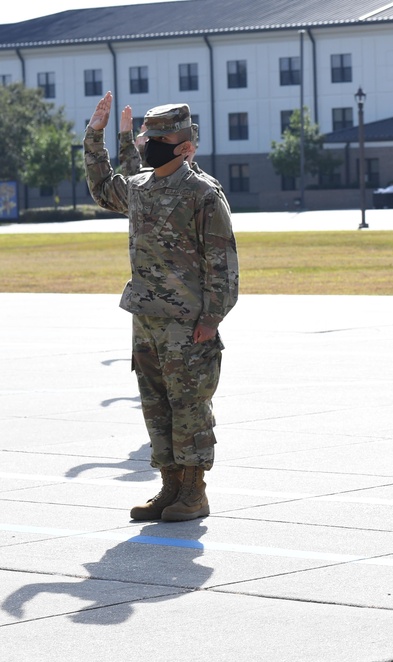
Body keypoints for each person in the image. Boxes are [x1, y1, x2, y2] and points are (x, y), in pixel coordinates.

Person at [85, 92, 239, 522]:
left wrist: (212, 317)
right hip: (147, 317)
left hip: (188, 321)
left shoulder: (202, 193)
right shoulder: (139, 189)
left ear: (181, 142)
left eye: (156, 136)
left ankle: (194, 492)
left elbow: (222, 261)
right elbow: (101, 188)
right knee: (156, 405)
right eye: (146, 135)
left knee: (189, 403)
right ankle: (170, 487)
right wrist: (95, 135)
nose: (147, 142)